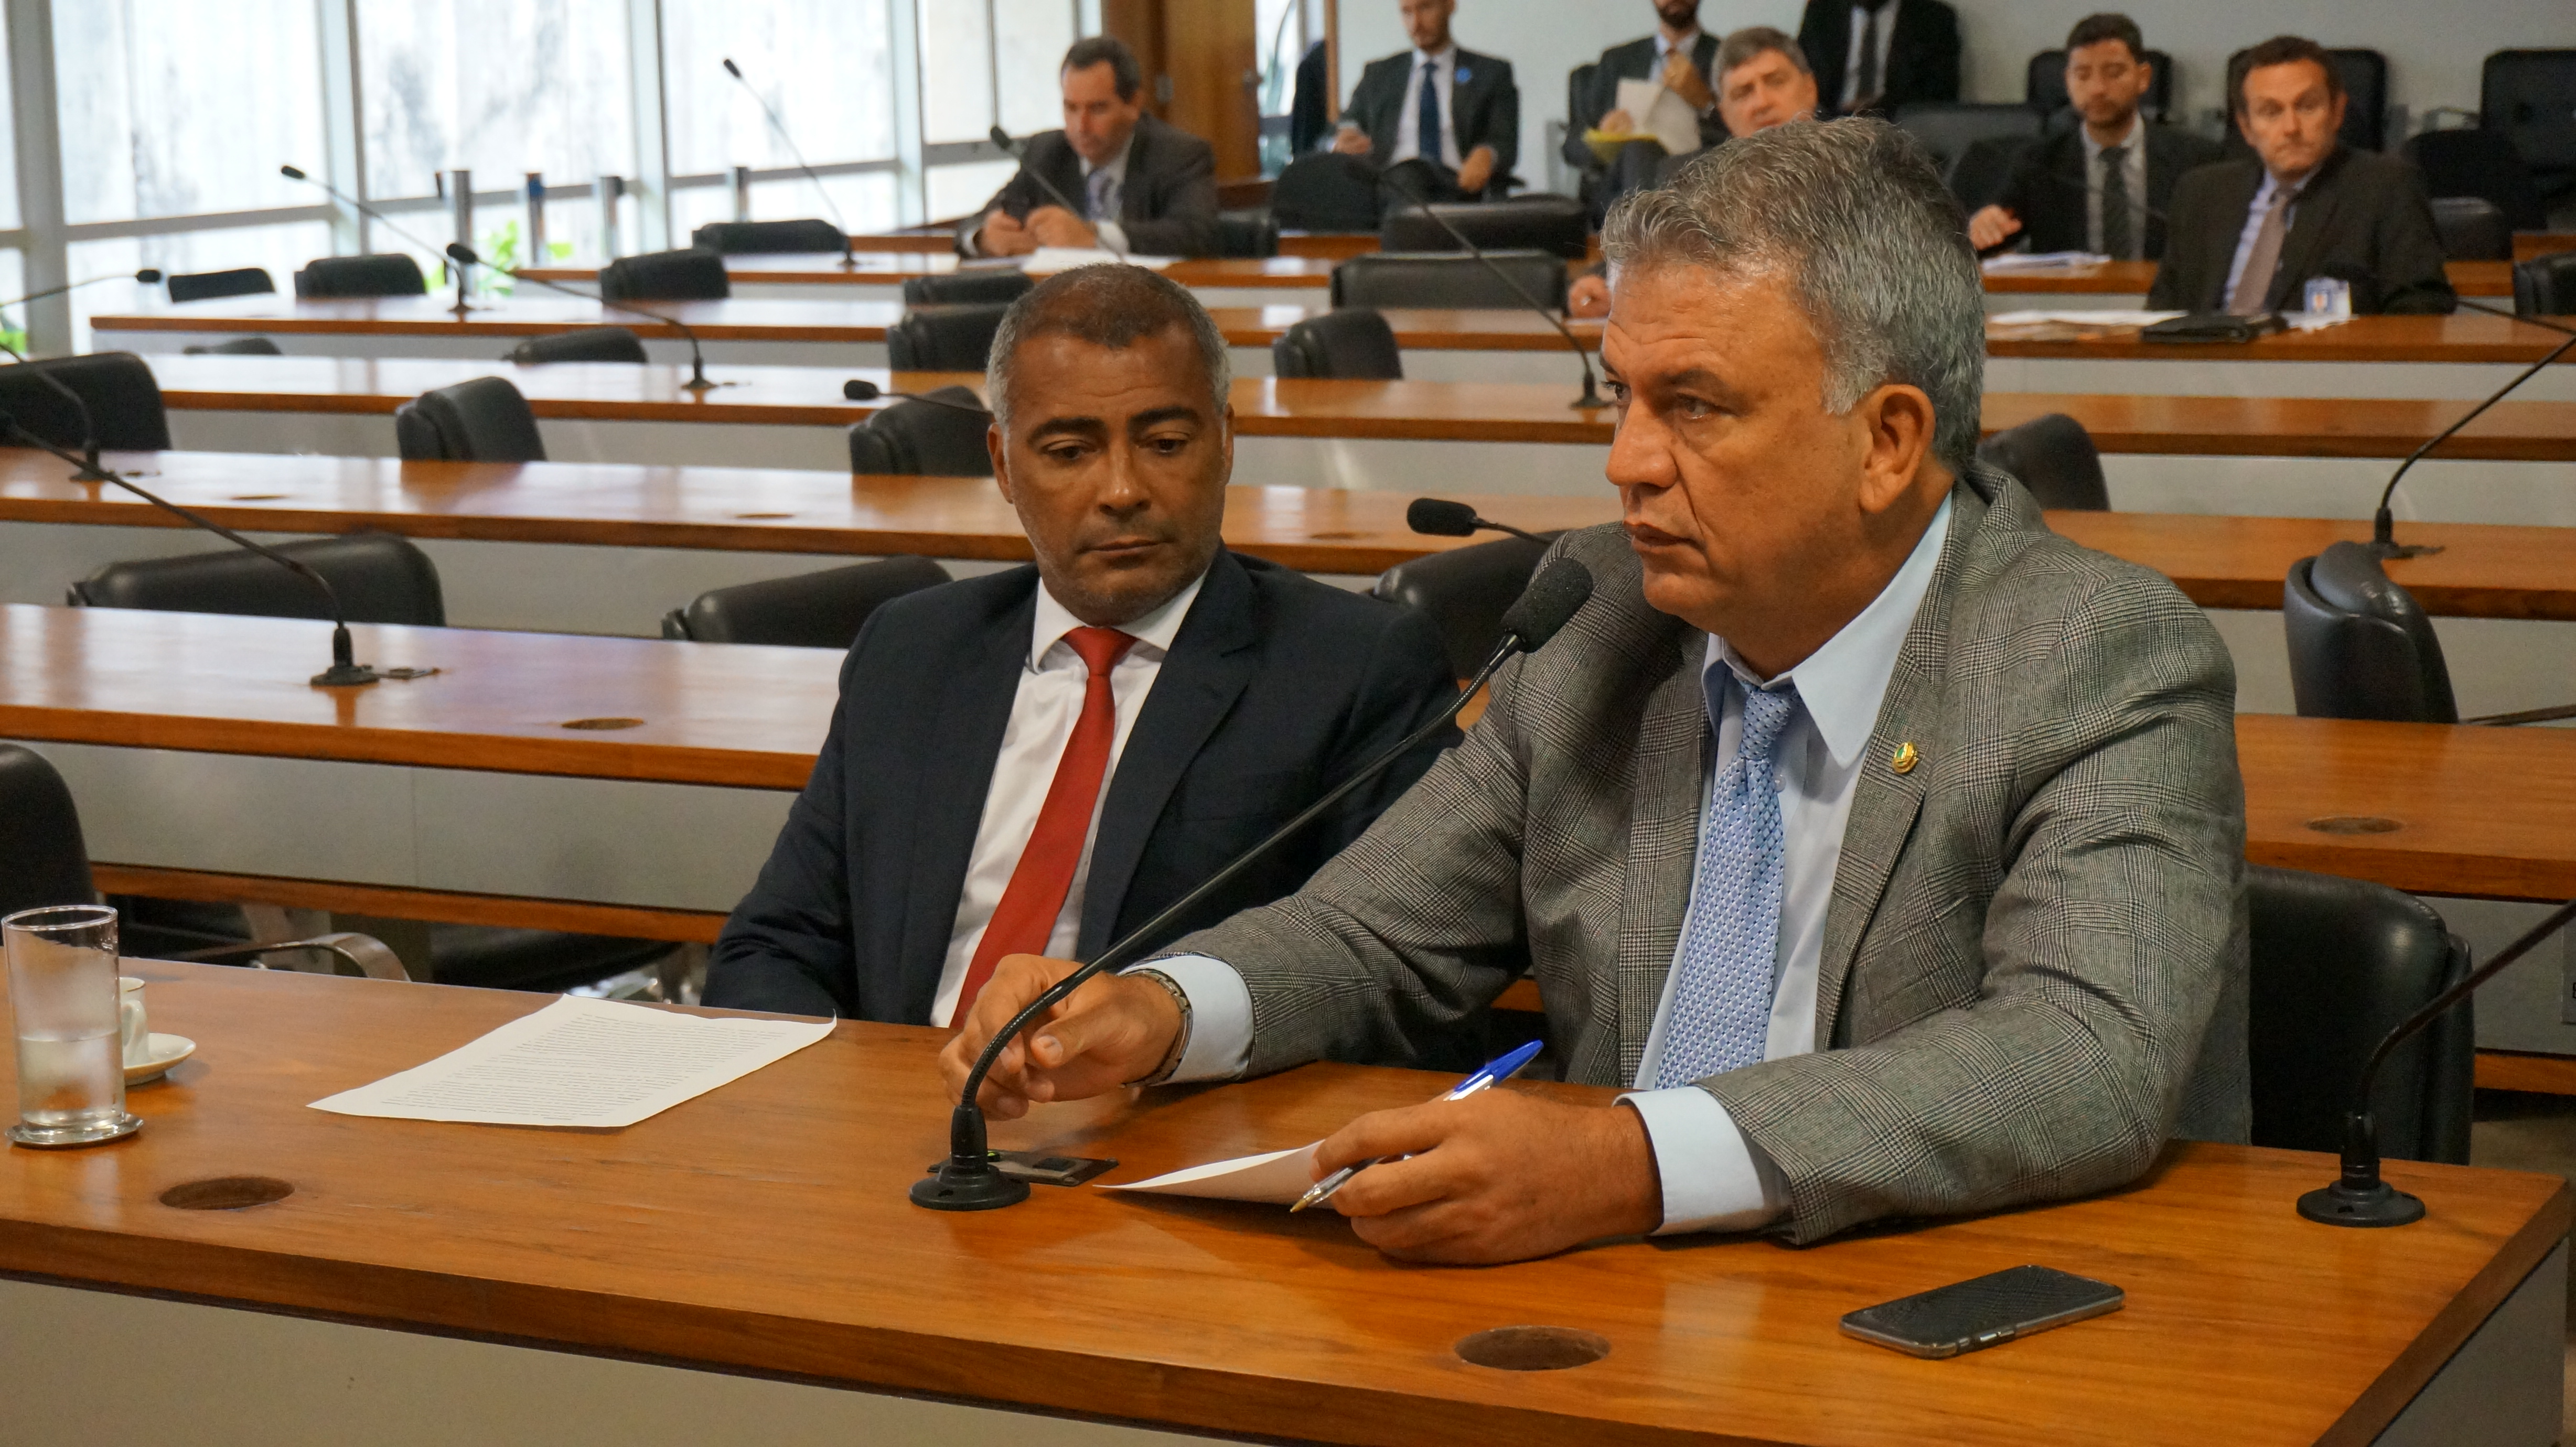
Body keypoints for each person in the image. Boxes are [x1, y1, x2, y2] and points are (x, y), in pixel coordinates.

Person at [946, 120, 2250, 1265]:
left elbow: (2081, 1051)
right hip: (1596, 1299)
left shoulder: (2094, 652)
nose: (1626, 461)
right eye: (1621, 396)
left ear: (1886, 441)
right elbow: (1374, 931)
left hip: (1925, 1309)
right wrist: (1158, 1007)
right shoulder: (1600, 617)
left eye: (1693, 407)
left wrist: (1627, 1162)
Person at [704, 266, 1461, 1023]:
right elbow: (774, 944)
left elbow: (1396, 978)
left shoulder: (1355, 668)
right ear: (1003, 464)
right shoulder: (911, 649)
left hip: (1161, 1089)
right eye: (1070, 452)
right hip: (900, 1081)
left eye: (1166, 443)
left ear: (1226, 442)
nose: (1122, 489)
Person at [2148, 35, 2454, 316]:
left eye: (2307, 107)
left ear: (2337, 112)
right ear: (2246, 128)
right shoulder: (2202, 192)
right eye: (2271, 112)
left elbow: (2421, 308)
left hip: (2326, 356)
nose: (2291, 127)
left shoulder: (2386, 188)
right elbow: (2163, 308)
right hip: (2205, 356)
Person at [1569, 28, 1816, 318]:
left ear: (1810, 88)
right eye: (1743, 93)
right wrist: (1598, 285)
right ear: (1724, 113)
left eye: (1775, 82)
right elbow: (1646, 254)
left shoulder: (1856, 167)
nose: (1762, 102)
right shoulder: (1691, 183)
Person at [1968, 15, 2219, 261]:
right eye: (2083, 75)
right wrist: (1982, 230)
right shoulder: (2041, 163)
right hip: (2069, 289)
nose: (2097, 89)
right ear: (2068, 81)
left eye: (2114, 73)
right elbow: (1990, 243)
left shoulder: (2196, 160)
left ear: (2143, 78)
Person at [960, 37, 1220, 259]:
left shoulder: (1179, 154)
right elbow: (974, 223)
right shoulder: (1046, 153)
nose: (1080, 126)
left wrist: (1095, 236)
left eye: (1097, 109)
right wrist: (983, 237)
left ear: (1134, 105)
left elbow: (1197, 234)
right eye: (1071, 108)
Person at [1333, 0, 1520, 203]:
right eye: (1407, 12)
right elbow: (1346, 123)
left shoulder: (1490, 74)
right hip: (1392, 189)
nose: (1416, 24)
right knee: (1407, 175)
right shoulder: (1379, 75)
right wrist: (1345, 136)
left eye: (1425, 8)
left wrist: (1488, 154)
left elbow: (1504, 140)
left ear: (1450, 5)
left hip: (1460, 189)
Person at [1563, 1, 1723, 217]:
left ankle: (1646, 228)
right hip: (1622, 187)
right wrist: (1604, 135)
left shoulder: (1726, 58)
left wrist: (1705, 102)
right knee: (1639, 150)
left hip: (1701, 182)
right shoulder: (1617, 61)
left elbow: (1743, 135)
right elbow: (1572, 147)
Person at [1795, 0, 1958, 117]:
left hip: (1900, 127)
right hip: (1830, 125)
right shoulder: (1822, 12)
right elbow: (1802, 76)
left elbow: (1940, 94)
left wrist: (1877, 109)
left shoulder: (1934, 19)